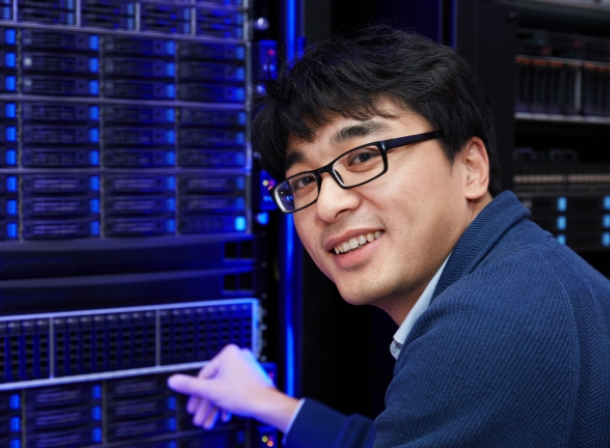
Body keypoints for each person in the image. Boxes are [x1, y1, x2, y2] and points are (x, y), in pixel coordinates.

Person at [168, 26, 610, 447]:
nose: (327, 205)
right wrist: (271, 406)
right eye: (303, 181)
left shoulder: (481, 331)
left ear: (472, 168)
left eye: (363, 156)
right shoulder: (523, 273)